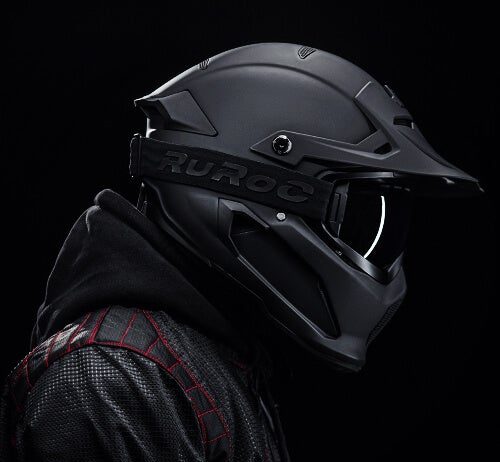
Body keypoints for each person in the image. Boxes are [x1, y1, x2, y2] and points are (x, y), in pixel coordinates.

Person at [0, 43, 481, 461]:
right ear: (258, 189)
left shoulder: (210, 356)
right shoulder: (111, 382)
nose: (380, 254)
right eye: (362, 219)